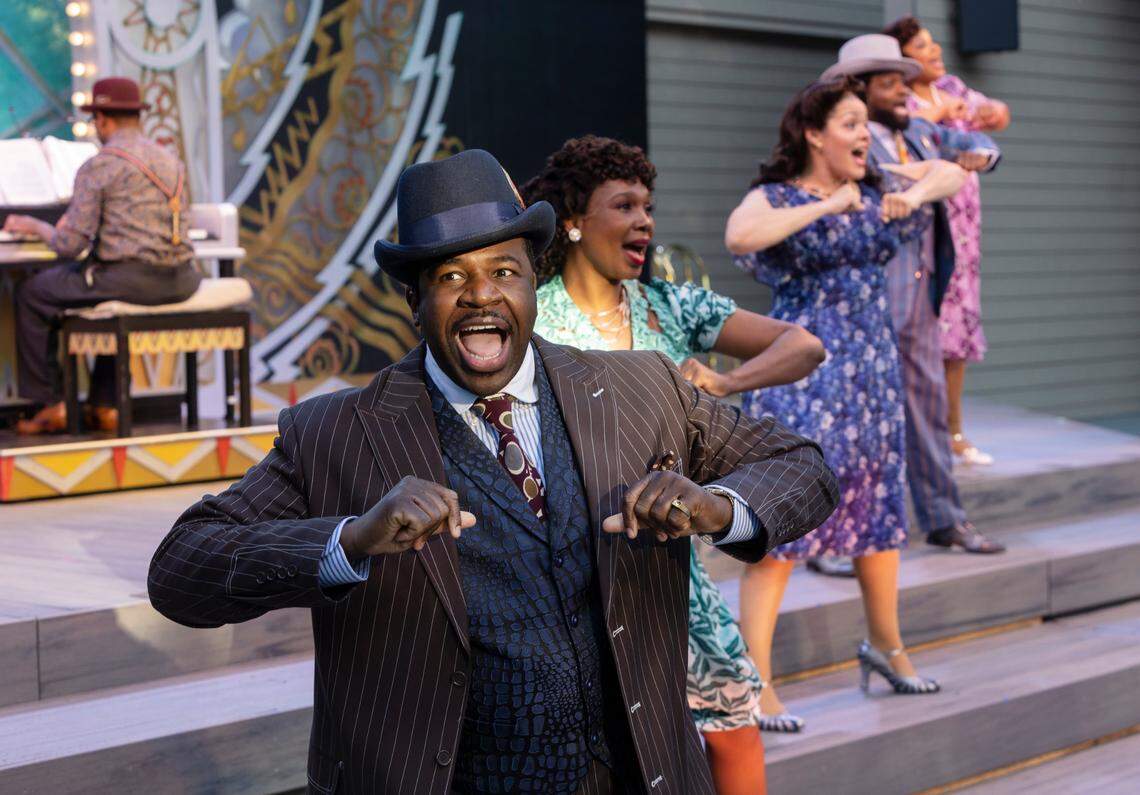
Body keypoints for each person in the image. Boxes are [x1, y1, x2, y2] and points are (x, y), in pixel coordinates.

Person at [147, 149, 838, 794]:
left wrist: (717, 507)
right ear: (413, 303)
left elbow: (800, 466)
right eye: (451, 278)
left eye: (503, 271)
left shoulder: (640, 388)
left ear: (532, 282)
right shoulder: (336, 432)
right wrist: (348, 540)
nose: (481, 295)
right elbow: (182, 569)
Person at [522, 134, 826, 794]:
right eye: (624, 205)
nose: (644, 221)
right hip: (575, 566)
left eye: (649, 206)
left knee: (734, 721)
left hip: (673, 561)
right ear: (573, 220)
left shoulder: (672, 304)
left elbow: (802, 345)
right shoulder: (534, 317)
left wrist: (725, 383)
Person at [726, 76, 968, 731]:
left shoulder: (879, 184)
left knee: (879, 517)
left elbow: (952, 172)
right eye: (852, 124)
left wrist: (909, 193)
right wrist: (824, 207)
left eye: (867, 124)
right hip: (802, 373)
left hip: (870, 373)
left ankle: (887, 648)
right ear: (814, 133)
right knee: (781, 527)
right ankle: (756, 682)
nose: (866, 135)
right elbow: (741, 236)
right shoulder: (776, 196)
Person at [821, 34, 1007, 555]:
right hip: (861, 304)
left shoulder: (922, 131)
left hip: (922, 301)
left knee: (928, 411)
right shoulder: (839, 138)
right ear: (858, 89)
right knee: (851, 422)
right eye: (889, 84)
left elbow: (985, 149)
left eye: (905, 82)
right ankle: (836, 539)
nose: (904, 92)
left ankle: (946, 520)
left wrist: (978, 157)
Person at [3, 76, 199, 435]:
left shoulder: (100, 165)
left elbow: (69, 244)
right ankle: (104, 405)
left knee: (33, 293)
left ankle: (52, 405)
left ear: (104, 120)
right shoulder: (171, 160)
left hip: (132, 281)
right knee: (106, 290)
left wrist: (34, 225)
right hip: (182, 279)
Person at [885, 15, 1011, 466]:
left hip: (963, 237)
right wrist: (939, 115)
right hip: (918, 234)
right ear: (902, 60)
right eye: (923, 45)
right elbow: (908, 133)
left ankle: (954, 432)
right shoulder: (896, 102)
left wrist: (992, 111)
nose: (936, 49)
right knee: (916, 335)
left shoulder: (954, 89)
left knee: (956, 338)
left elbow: (996, 115)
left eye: (934, 42)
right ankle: (909, 436)